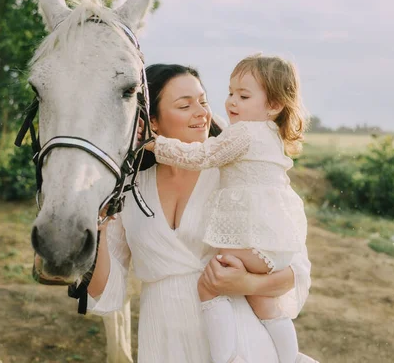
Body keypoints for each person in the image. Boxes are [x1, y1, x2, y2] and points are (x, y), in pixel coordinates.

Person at [87, 63, 314, 363]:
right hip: (163, 343)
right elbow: (106, 288)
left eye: (204, 102)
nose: (202, 113)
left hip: (238, 342)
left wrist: (248, 284)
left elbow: (293, 271)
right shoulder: (131, 190)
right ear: (152, 121)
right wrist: (97, 226)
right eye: (185, 105)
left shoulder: (237, 176)